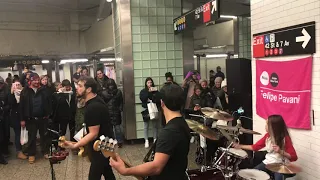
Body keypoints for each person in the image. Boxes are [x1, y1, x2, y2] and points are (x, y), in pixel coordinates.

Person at [110, 83, 190, 180]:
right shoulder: (182, 123)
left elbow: (156, 167)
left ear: (162, 103)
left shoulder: (169, 132)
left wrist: (125, 171)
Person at [62, 76, 115, 180]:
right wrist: (75, 140)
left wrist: (76, 145)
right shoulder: (94, 100)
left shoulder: (93, 107)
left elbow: (93, 133)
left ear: (89, 89)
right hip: (104, 144)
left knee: (94, 177)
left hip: (101, 147)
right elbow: (89, 126)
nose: (77, 88)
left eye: (80, 86)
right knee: (107, 173)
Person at [233, 115, 298, 180]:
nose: (265, 126)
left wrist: (280, 151)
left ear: (273, 127)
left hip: (280, 165)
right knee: (252, 175)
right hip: (268, 162)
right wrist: (240, 146)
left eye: (267, 124)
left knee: (279, 178)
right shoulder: (268, 136)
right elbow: (255, 147)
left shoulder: (285, 138)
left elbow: (294, 157)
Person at [20, 73, 52, 164]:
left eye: (38, 80)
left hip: (43, 118)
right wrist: (22, 119)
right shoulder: (25, 91)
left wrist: (49, 114)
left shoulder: (44, 90)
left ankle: (45, 152)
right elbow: (21, 106)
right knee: (32, 137)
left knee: (44, 136)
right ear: (30, 80)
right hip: (30, 118)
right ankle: (31, 154)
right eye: (34, 80)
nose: (37, 82)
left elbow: (49, 102)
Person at [100, 79, 123, 147]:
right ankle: (117, 141)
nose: (111, 87)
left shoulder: (104, 93)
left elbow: (121, 101)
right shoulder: (118, 92)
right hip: (112, 112)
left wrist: (120, 108)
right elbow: (121, 101)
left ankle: (116, 141)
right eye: (110, 85)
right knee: (114, 128)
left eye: (112, 85)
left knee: (115, 128)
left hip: (112, 112)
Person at [8, 80, 27, 160]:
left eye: (19, 84)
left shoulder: (24, 93)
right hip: (16, 117)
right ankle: (19, 152)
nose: (18, 86)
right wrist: (12, 93)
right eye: (16, 85)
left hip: (24, 116)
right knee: (18, 134)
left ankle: (24, 149)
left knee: (25, 133)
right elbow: (11, 104)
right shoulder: (11, 95)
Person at [139, 77, 161, 148]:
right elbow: (142, 99)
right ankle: (146, 140)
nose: (150, 84)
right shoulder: (143, 91)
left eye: (151, 82)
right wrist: (148, 92)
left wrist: (153, 94)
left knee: (155, 125)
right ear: (146, 83)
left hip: (154, 109)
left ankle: (155, 139)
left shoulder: (155, 90)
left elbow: (158, 98)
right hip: (146, 109)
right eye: (148, 82)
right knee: (146, 126)